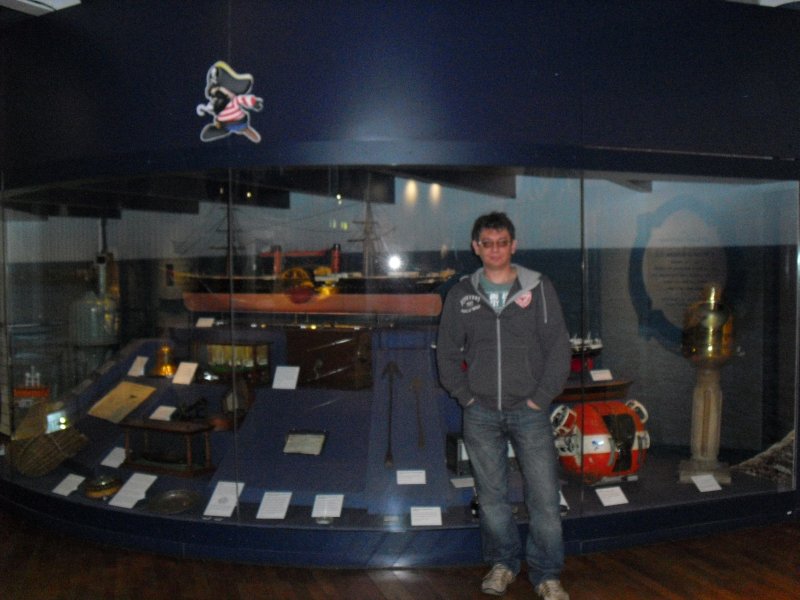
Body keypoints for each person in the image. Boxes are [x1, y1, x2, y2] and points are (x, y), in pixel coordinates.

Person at [436, 211, 571, 600]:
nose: (495, 250)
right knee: (492, 498)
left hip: (530, 412)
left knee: (544, 498)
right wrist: (465, 397)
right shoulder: (461, 294)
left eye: (502, 242)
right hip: (479, 413)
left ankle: (547, 574)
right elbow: (447, 353)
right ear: (476, 247)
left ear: (513, 245)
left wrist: (540, 398)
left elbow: (558, 348)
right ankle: (503, 564)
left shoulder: (539, 288)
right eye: (487, 243)